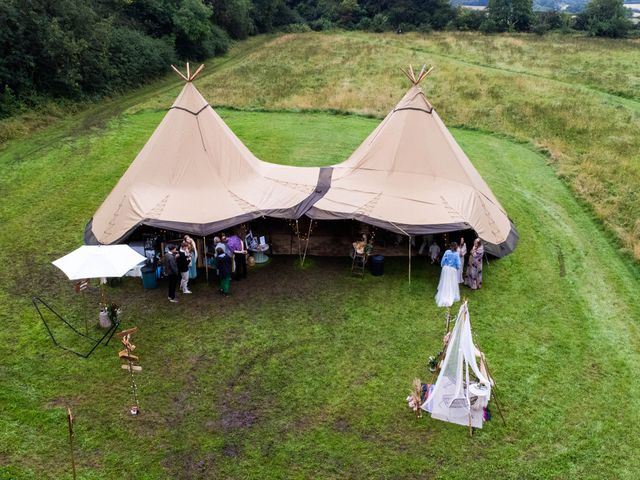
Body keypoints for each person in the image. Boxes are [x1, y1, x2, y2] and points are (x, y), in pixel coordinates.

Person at [435, 242, 461, 308]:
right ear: (456, 247)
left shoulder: (447, 251)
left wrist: (442, 265)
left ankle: (444, 293)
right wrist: (457, 268)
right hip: (452, 270)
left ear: (450, 246)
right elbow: (458, 264)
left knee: (445, 281)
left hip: (446, 269)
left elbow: (443, 260)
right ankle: (450, 294)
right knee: (451, 282)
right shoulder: (456, 254)